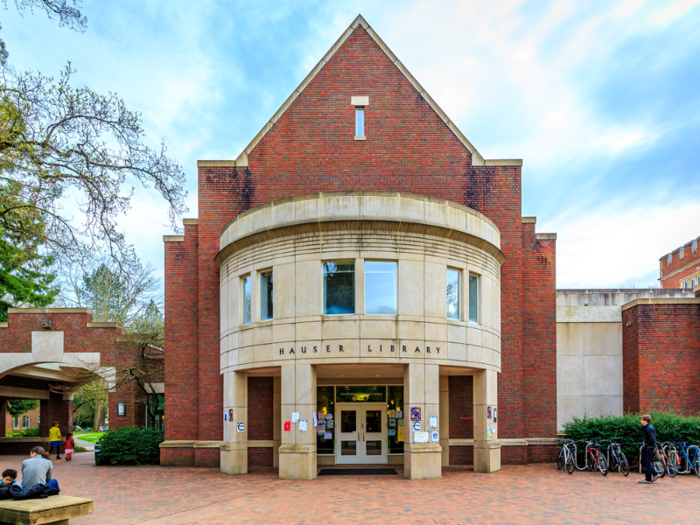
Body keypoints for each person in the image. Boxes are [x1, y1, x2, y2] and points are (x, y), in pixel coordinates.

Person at [639, 414, 659, 484]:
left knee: (647, 463)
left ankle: (648, 479)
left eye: (642, 420)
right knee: (644, 462)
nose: (641, 421)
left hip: (649, 448)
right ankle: (655, 474)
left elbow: (652, 439)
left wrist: (645, 445)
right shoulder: (647, 427)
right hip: (648, 447)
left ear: (645, 421)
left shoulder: (648, 428)